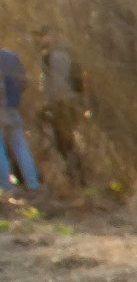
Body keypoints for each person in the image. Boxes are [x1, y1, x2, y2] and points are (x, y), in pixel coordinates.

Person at [35, 29, 86, 189]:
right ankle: (78, 173)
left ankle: (74, 174)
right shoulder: (71, 55)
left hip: (58, 103)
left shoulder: (47, 57)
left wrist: (45, 105)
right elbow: (79, 82)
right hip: (72, 101)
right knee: (70, 138)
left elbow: (46, 85)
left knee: (62, 141)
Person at [0, 46, 39, 193]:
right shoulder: (12, 57)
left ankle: (5, 187)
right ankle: (33, 183)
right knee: (21, 146)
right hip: (13, 108)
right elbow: (24, 82)